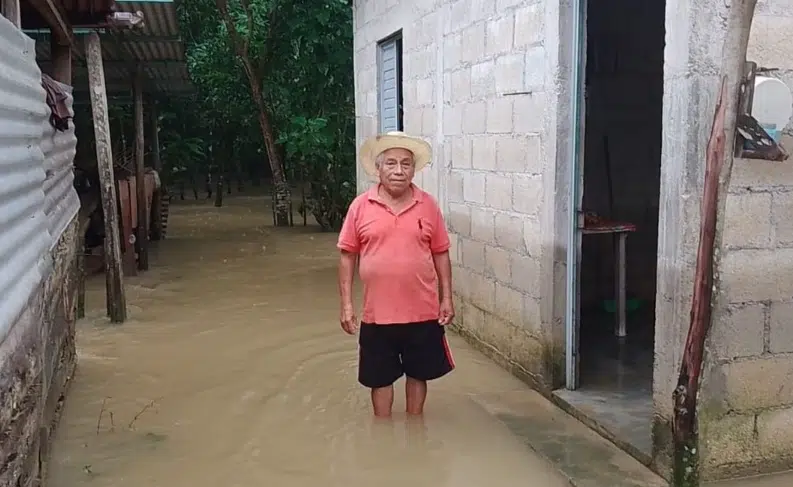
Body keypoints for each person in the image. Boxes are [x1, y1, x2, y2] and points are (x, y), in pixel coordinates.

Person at [337, 131, 456, 417]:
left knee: (419, 374)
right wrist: (347, 304)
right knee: (379, 379)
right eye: (391, 163)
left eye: (406, 164)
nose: (399, 171)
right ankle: (383, 433)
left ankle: (415, 429)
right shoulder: (360, 207)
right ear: (378, 168)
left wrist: (447, 298)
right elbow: (347, 255)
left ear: (414, 169)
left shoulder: (428, 205)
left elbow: (441, 253)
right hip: (377, 314)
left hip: (423, 312)